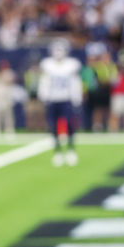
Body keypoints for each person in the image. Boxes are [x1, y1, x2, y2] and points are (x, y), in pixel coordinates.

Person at [38, 38, 82, 167]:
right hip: (53, 99)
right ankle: (57, 151)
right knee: (52, 126)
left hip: (66, 99)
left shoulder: (72, 64)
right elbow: (44, 81)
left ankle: (70, 149)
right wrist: (43, 95)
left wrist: (76, 97)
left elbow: (75, 82)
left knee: (69, 125)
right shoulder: (47, 64)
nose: (58, 53)